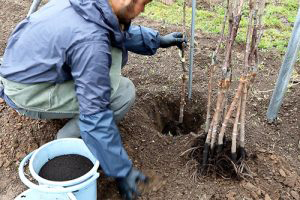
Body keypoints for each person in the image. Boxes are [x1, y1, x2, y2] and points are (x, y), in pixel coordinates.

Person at [0, 0, 186, 199]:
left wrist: (156, 40)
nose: (141, 9)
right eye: (140, 3)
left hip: (24, 70)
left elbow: (114, 30)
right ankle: (67, 140)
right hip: (26, 91)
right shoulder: (90, 40)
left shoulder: (90, 5)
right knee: (122, 93)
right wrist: (123, 170)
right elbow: (95, 114)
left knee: (109, 52)